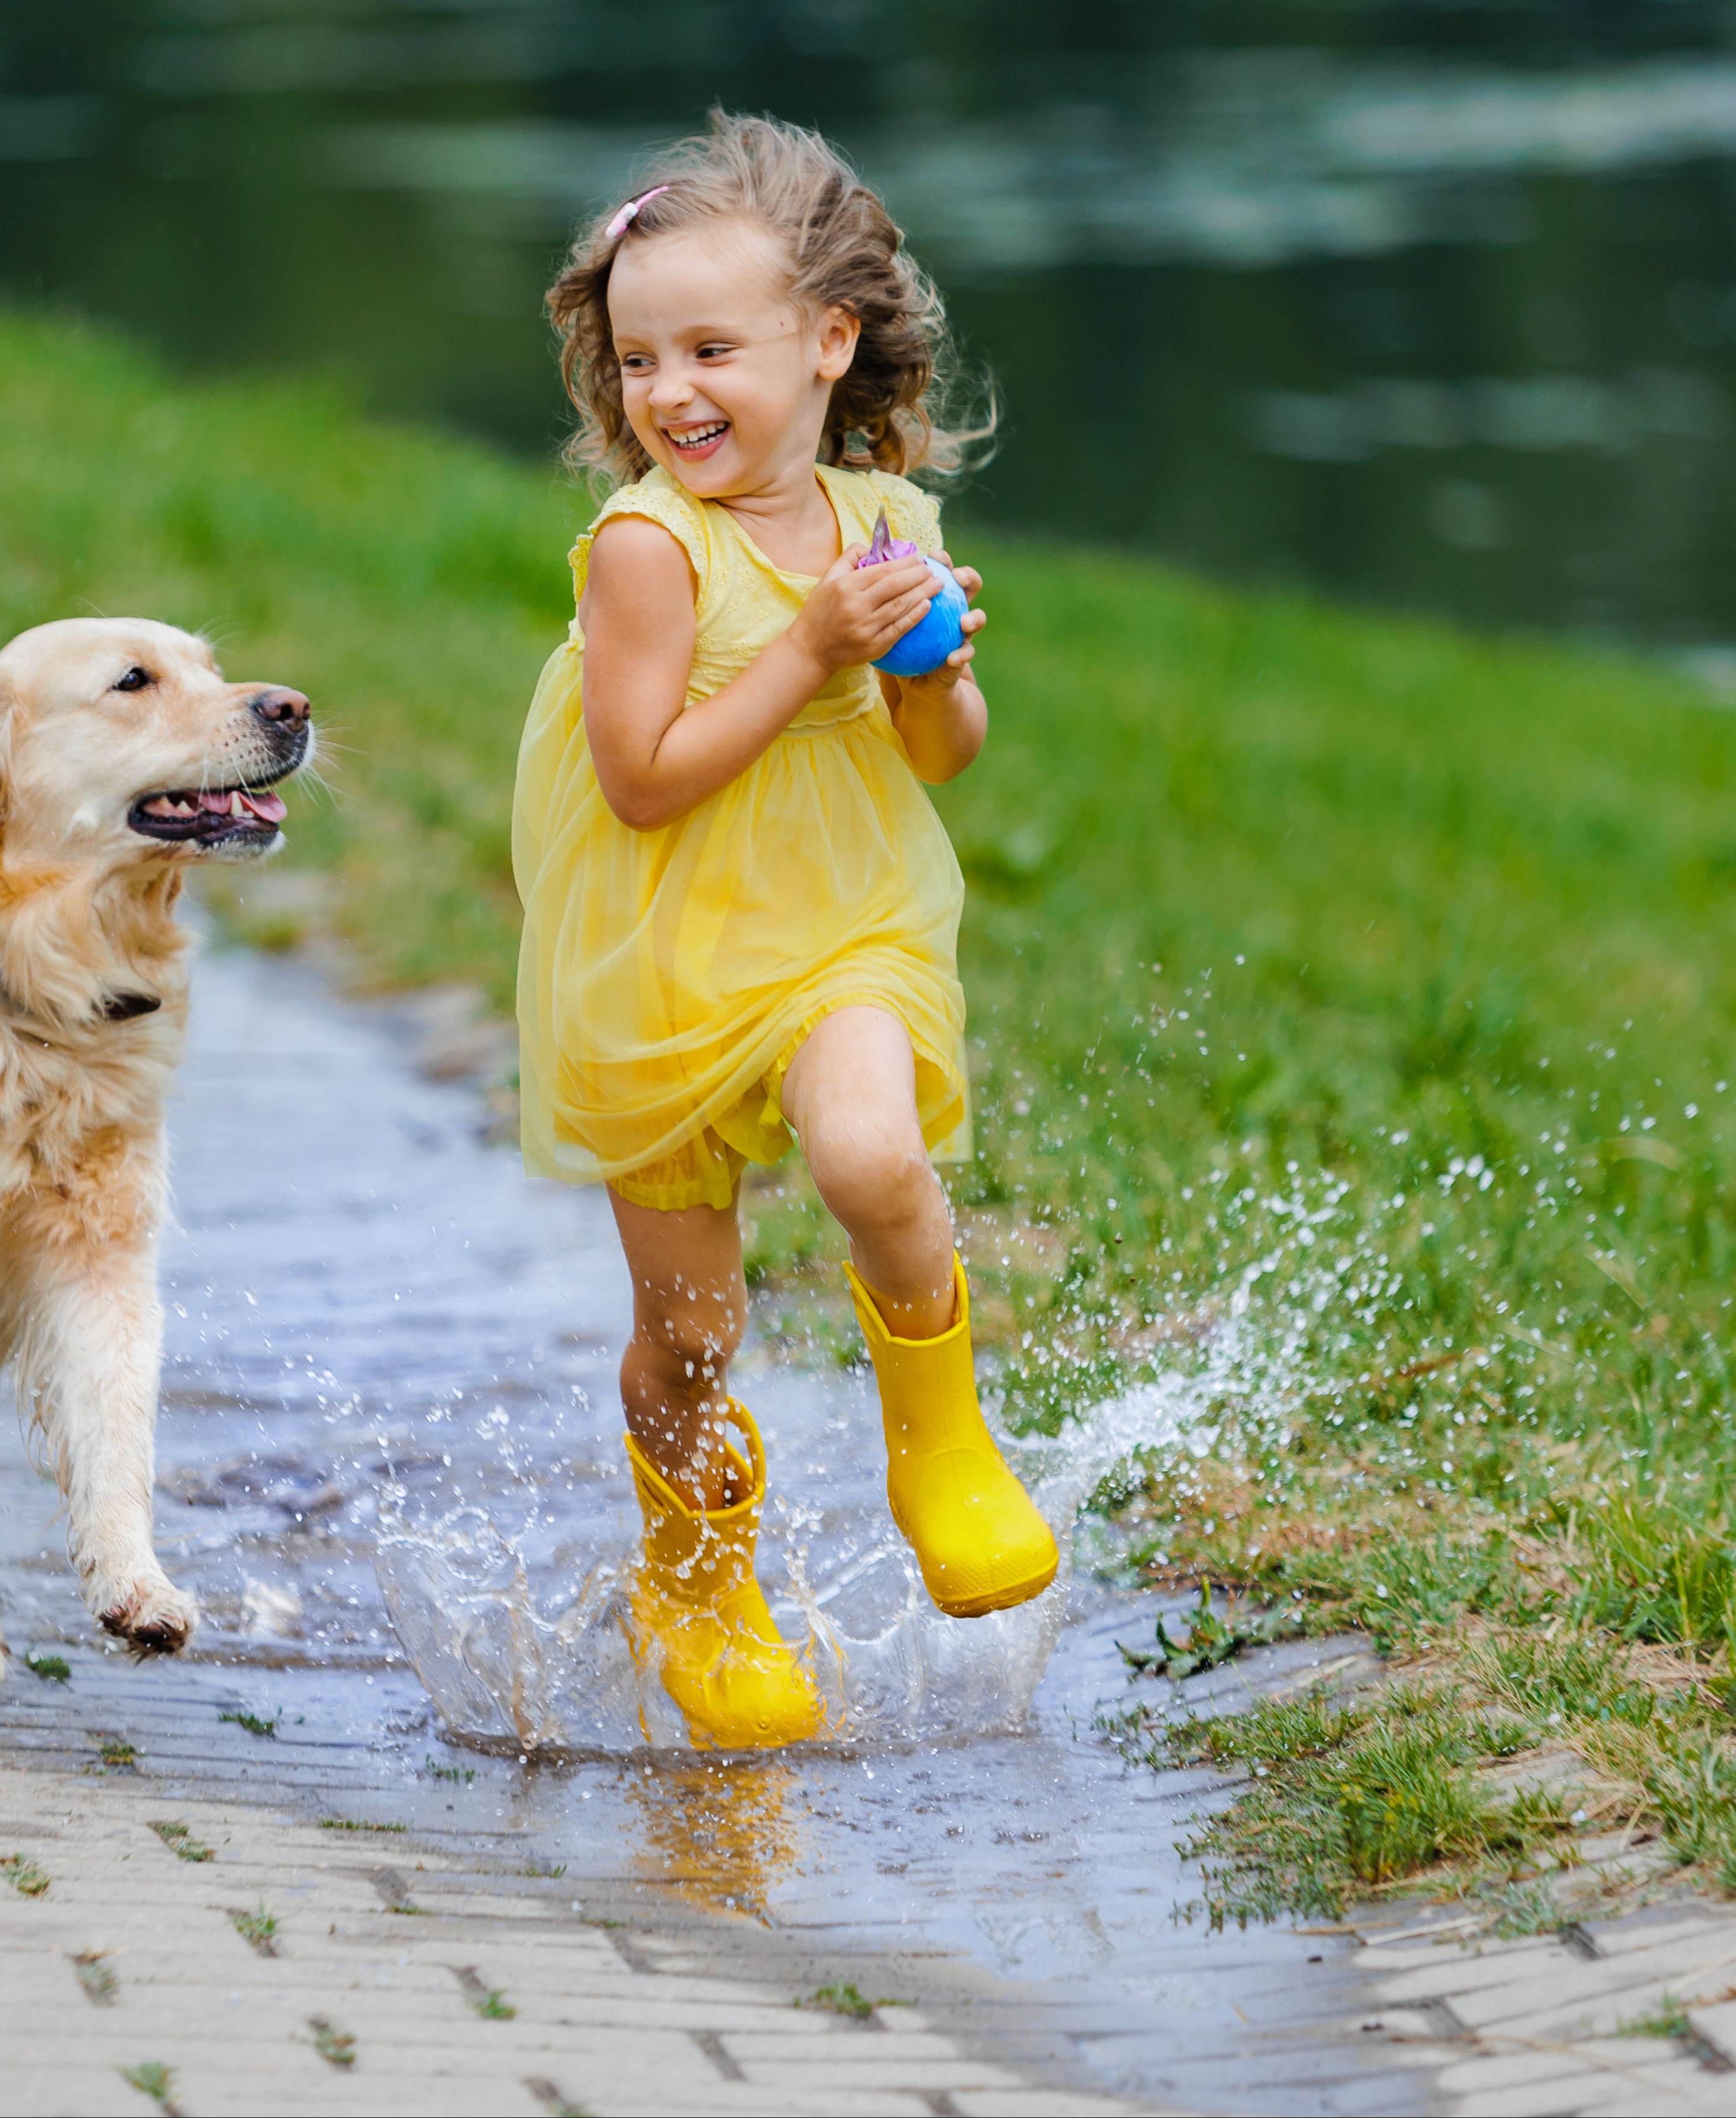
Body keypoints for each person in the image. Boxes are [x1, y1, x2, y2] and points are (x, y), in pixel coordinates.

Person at [513, 114, 1057, 1751]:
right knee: (692, 1335)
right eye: (638, 358)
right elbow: (645, 778)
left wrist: (934, 678)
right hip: (662, 955)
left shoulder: (888, 520)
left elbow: (939, 760)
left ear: (829, 343)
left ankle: (940, 1447)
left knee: (877, 1161)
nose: (669, 393)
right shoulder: (644, 550)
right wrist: (817, 645)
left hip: (843, 927)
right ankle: (693, 1580)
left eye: (709, 350)